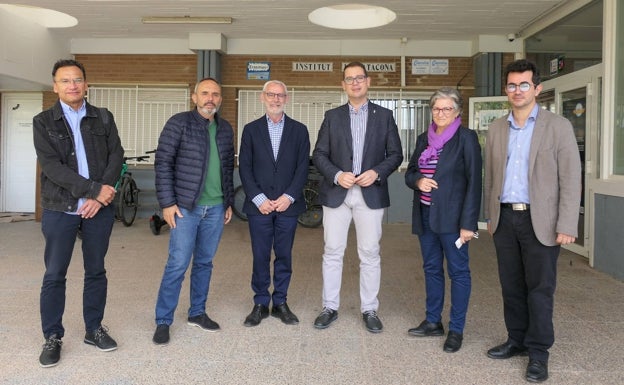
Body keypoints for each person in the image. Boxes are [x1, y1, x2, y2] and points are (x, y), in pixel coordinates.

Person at [484, 59, 581, 383]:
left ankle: (538, 353)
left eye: (524, 84)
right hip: (505, 219)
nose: (517, 90)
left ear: (537, 89)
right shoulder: (498, 127)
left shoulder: (558, 126)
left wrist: (567, 224)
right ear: (506, 90)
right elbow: (491, 178)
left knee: (540, 290)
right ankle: (517, 340)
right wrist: (490, 217)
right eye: (512, 85)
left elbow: (570, 178)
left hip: (541, 220)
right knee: (511, 287)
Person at [33, 59, 124, 367]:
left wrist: (102, 195)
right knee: (55, 273)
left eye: (77, 80)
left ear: (86, 84)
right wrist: (91, 190)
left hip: (99, 208)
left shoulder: (104, 118)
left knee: (96, 271)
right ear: (55, 86)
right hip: (61, 207)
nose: (72, 85)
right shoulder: (43, 121)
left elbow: (116, 156)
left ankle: (94, 329)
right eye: (65, 80)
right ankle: (52, 336)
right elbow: (52, 167)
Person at [312, 61, 403, 333]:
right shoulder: (332, 116)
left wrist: (377, 172)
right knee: (332, 252)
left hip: (370, 194)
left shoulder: (385, 116)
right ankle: (330, 306)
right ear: (343, 85)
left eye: (359, 78)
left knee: (370, 253)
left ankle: (370, 310)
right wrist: (337, 174)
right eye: (349, 79)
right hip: (337, 192)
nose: (355, 83)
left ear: (368, 81)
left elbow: (396, 155)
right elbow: (319, 154)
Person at [152, 77, 235, 345]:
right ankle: (163, 320)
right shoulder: (179, 123)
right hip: (185, 208)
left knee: (204, 263)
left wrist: (229, 202)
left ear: (220, 99)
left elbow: (226, 169)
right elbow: (163, 163)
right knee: (177, 263)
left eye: (215, 94)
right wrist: (167, 203)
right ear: (194, 97)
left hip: (216, 207)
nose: (210, 98)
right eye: (205, 93)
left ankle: (197, 312)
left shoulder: (225, 129)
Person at [404, 87, 482, 353]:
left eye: (447, 108)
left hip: (453, 220)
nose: (441, 113)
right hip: (426, 216)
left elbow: (474, 183)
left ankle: (456, 329)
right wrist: (418, 180)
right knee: (431, 269)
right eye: (437, 108)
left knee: (459, 273)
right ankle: (433, 321)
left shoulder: (466, 138)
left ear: (458, 111)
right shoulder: (423, 139)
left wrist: (469, 224)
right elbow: (410, 172)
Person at [238, 80, 310, 327]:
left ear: (286, 99)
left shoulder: (300, 130)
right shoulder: (250, 130)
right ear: (263, 97)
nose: (276, 99)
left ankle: (280, 302)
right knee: (260, 255)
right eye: (271, 94)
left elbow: (303, 168)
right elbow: (245, 167)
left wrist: (288, 197)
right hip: (259, 207)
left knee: (284, 255)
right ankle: (260, 302)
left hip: (288, 206)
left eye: (280, 95)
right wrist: (258, 198)